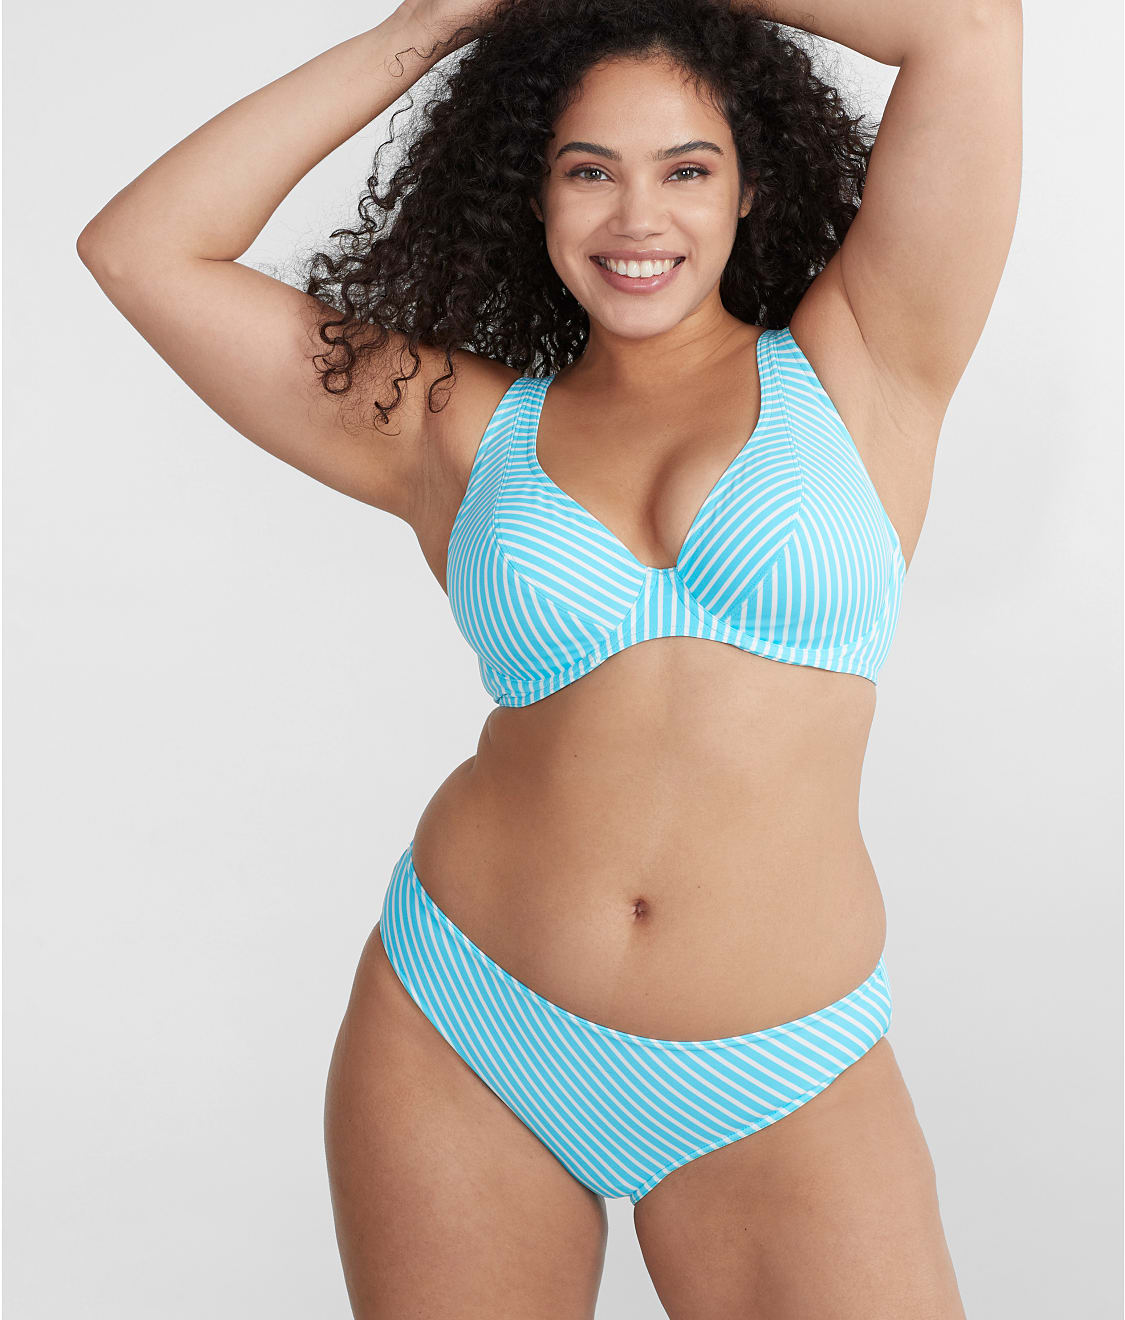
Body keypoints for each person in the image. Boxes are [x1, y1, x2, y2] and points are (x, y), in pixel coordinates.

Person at [77, 0, 1022, 1311]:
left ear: (749, 186)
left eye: (686, 170)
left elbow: (968, 27)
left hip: (778, 1072)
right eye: (588, 171)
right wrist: (437, 22)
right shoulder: (447, 425)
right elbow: (142, 251)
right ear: (531, 192)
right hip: (466, 1024)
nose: (639, 218)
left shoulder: (868, 362)